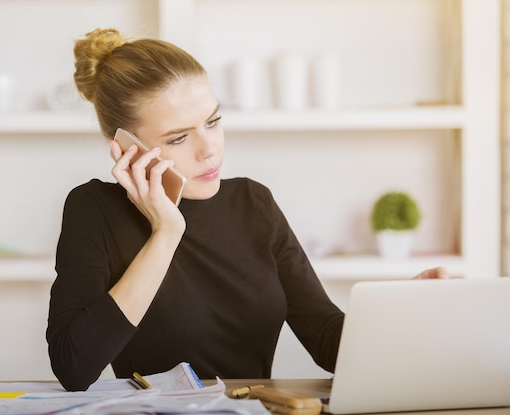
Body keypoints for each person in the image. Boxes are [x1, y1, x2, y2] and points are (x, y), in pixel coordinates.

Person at [46, 28, 448, 392]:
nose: (210, 149)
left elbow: (326, 339)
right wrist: (165, 233)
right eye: (180, 137)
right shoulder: (94, 210)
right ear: (128, 147)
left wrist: (398, 312)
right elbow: (74, 368)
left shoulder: (254, 203)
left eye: (213, 121)